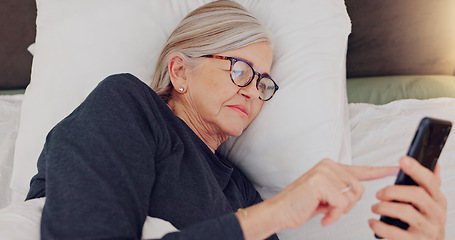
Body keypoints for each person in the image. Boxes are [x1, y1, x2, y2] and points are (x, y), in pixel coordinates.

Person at [25, 1, 447, 240]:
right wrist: (276, 213)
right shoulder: (126, 105)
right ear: (179, 70)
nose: (252, 89)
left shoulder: (238, 189)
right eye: (239, 69)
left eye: (263, 81)